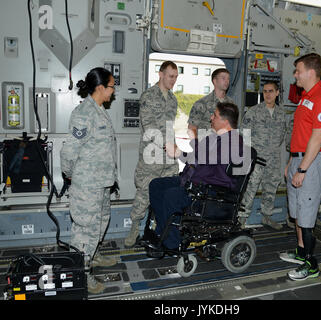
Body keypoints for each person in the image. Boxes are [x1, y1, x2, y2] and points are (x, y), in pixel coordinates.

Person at [148, 102, 247, 250]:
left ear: (225, 122)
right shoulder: (213, 139)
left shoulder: (234, 142)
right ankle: (163, 231)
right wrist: (178, 153)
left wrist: (190, 143)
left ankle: (171, 243)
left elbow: (208, 159)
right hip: (192, 180)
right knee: (156, 185)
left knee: (171, 196)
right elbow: (196, 156)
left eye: (215, 115)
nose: (211, 117)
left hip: (210, 189)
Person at [60, 67, 118, 294]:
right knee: (85, 230)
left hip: (102, 182)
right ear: (101, 87)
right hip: (87, 184)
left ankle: (93, 255)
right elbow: (69, 151)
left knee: (101, 222)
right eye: (112, 87)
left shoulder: (100, 110)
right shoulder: (84, 113)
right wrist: (70, 174)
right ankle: (81, 275)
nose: (114, 92)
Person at [280, 53, 321, 281]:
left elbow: (317, 136)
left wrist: (302, 169)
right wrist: (292, 162)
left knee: (307, 217)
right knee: (297, 213)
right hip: (299, 159)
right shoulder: (305, 97)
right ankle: (302, 252)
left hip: (311, 163)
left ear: (311, 72)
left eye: (298, 71)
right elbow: (301, 134)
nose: (295, 75)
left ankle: (311, 264)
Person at [124, 61, 180, 247]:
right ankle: (134, 228)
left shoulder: (173, 100)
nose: (173, 80)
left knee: (168, 193)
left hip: (169, 158)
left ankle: (159, 228)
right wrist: (166, 144)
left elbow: (170, 128)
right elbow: (149, 126)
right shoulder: (148, 96)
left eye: (176, 76)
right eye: (170, 76)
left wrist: (174, 147)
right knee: (145, 193)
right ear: (161, 74)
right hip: (152, 155)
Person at [239, 81, 291, 230]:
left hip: (274, 159)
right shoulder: (253, 111)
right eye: (265, 91)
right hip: (257, 159)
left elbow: (284, 134)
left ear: (277, 93)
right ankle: (241, 220)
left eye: (270, 91)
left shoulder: (282, 114)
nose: (267, 94)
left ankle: (266, 217)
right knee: (250, 189)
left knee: (271, 188)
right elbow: (244, 134)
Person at [188, 68, 234, 138]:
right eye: (223, 78)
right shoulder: (201, 103)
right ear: (215, 81)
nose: (227, 81)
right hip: (205, 145)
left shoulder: (231, 104)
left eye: (228, 79)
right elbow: (192, 128)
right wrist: (197, 146)